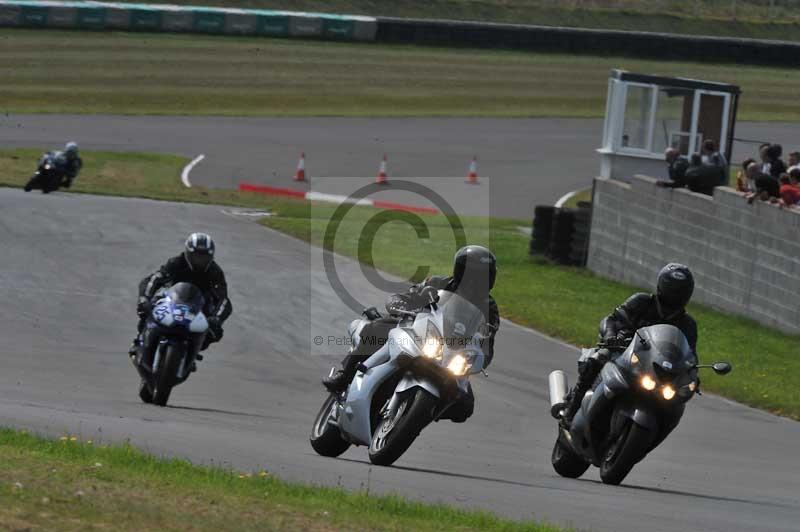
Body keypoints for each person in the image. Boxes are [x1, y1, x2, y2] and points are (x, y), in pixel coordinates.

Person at [322, 245, 500, 421]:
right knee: (375, 330)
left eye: (484, 276)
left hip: (451, 352)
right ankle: (344, 375)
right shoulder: (437, 283)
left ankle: (424, 413)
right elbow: (409, 294)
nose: (476, 282)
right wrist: (400, 303)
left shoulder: (490, 308)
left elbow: (487, 343)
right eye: (473, 276)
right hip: (418, 329)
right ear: (461, 272)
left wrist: (477, 358)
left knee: (465, 405)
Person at [560, 263, 698, 424]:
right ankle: (573, 407)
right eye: (672, 288)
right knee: (597, 359)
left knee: (677, 403)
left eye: (680, 291)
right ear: (662, 286)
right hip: (625, 353)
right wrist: (611, 335)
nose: (675, 294)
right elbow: (611, 319)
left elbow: (690, 354)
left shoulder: (688, 324)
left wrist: (693, 374)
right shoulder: (642, 301)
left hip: (658, 368)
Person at [129, 233, 233, 363]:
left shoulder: (215, 271)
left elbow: (224, 299)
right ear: (188, 253)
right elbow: (154, 279)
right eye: (197, 256)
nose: (200, 261)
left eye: (204, 257)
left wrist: (216, 319)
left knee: (215, 332)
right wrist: (144, 298)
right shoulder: (176, 262)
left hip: (198, 306)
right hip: (173, 299)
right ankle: (139, 340)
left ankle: (192, 352)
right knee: (148, 308)